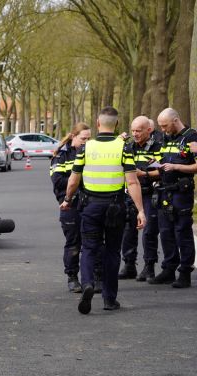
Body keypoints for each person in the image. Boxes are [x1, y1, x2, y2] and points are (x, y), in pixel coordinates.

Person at [60, 106, 145, 314]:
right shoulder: (124, 148)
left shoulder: (86, 148)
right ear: (117, 125)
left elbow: (73, 180)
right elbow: (132, 182)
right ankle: (109, 299)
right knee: (112, 252)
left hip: (91, 206)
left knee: (89, 248)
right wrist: (140, 210)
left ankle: (87, 283)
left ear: (98, 123)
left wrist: (67, 199)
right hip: (115, 207)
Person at [149, 108, 197, 287]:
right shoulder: (165, 139)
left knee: (182, 231)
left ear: (175, 120)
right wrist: (154, 166)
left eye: (165, 125)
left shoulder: (191, 137)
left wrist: (176, 167)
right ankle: (169, 269)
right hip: (164, 190)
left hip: (181, 192)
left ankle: (185, 272)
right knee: (166, 232)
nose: (162, 129)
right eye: (160, 126)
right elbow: (163, 162)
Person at [118, 117, 162, 281]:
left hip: (149, 193)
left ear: (148, 130)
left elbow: (164, 170)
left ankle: (149, 267)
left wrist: (144, 173)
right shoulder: (128, 147)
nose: (135, 134)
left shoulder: (158, 147)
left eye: (139, 130)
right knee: (128, 230)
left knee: (149, 231)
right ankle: (129, 265)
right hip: (130, 194)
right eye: (133, 130)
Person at [50, 122, 91, 292]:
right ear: (74, 136)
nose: (86, 142)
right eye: (83, 138)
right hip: (70, 204)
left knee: (93, 242)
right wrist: (79, 179)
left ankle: (95, 277)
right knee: (73, 242)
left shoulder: (91, 152)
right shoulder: (61, 155)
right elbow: (58, 181)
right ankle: (72, 277)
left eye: (89, 139)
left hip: (89, 202)